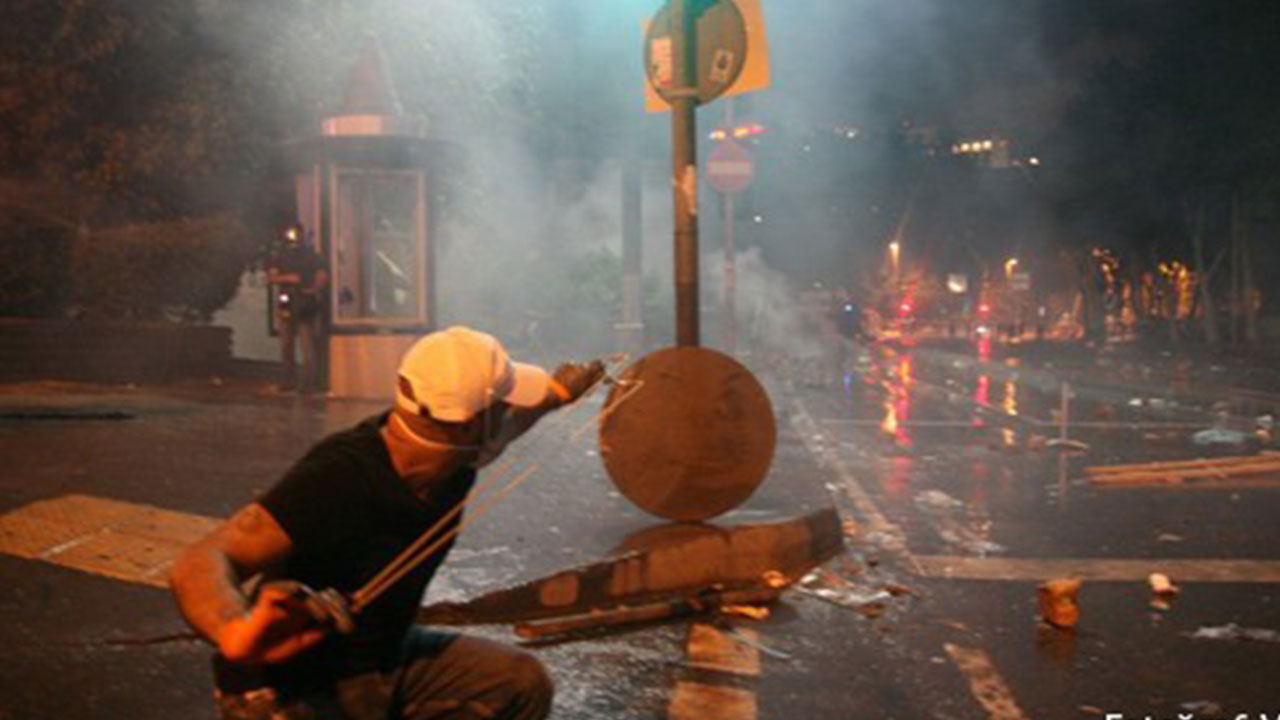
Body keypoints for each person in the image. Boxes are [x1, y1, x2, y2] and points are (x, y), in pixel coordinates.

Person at [169, 326, 605, 719]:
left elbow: (505, 427)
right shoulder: (339, 474)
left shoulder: (457, 455)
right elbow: (204, 558)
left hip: (378, 663)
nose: (509, 412)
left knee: (518, 684)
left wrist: (555, 394)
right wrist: (234, 629)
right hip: (290, 688)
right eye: (503, 401)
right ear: (471, 423)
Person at [267, 222, 328, 393]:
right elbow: (271, 277)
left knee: (307, 345)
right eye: (290, 233)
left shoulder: (311, 255)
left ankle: (309, 384)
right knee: (286, 345)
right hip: (287, 302)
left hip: (305, 303)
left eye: (296, 233)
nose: (293, 237)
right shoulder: (280, 255)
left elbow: (322, 274)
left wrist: (313, 289)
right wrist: (289, 278)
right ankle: (288, 382)